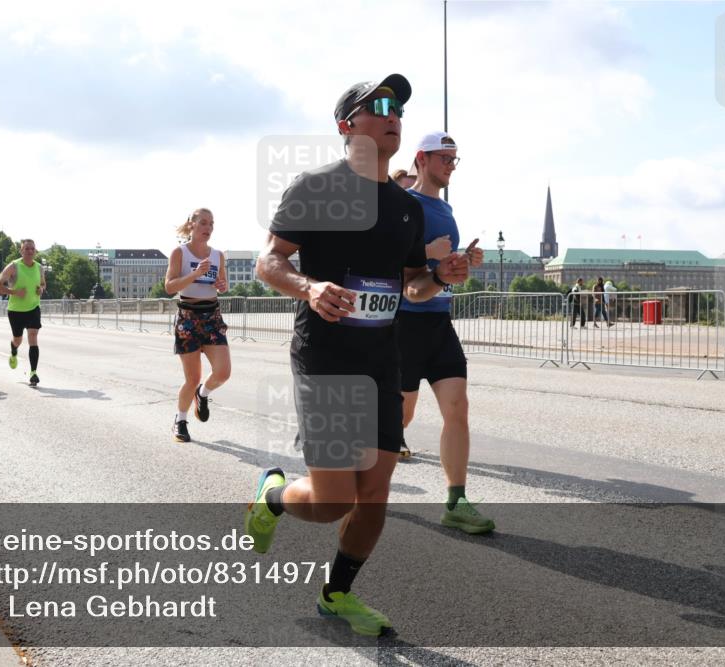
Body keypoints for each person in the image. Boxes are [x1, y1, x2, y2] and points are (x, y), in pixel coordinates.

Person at [245, 74, 468, 637]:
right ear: (347, 126)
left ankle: (336, 595)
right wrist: (309, 289)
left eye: (399, 109)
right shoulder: (317, 188)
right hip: (325, 355)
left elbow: (413, 286)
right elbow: (268, 263)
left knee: (373, 496)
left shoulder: (406, 208)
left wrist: (440, 276)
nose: (394, 115)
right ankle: (272, 495)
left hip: (381, 358)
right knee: (331, 500)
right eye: (380, 106)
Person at [395, 131, 494, 534]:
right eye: (444, 158)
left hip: (439, 322)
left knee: (457, 408)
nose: (451, 165)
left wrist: (462, 263)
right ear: (422, 159)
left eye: (455, 159)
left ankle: (456, 500)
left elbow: (441, 277)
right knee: (399, 416)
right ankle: (361, 482)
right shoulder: (404, 206)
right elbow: (407, 280)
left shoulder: (446, 210)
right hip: (403, 325)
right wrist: (432, 262)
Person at [163, 209, 230, 443]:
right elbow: (170, 287)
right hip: (188, 317)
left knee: (223, 372)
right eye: (203, 222)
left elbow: (223, 284)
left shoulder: (218, 255)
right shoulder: (179, 252)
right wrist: (194, 274)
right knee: (192, 378)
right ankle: (180, 420)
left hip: (212, 316)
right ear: (191, 225)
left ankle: (203, 394)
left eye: (211, 223)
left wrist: (222, 285)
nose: (208, 227)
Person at [0, 239, 47, 386]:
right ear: (21, 251)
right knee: (18, 339)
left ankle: (33, 373)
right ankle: (14, 351)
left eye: (32, 249)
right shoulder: (14, 266)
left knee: (33, 336)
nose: (30, 251)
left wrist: (41, 289)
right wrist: (15, 292)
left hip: (33, 308)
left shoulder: (39, 268)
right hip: (16, 310)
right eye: (27, 249)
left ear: (35, 251)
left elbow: (43, 284)